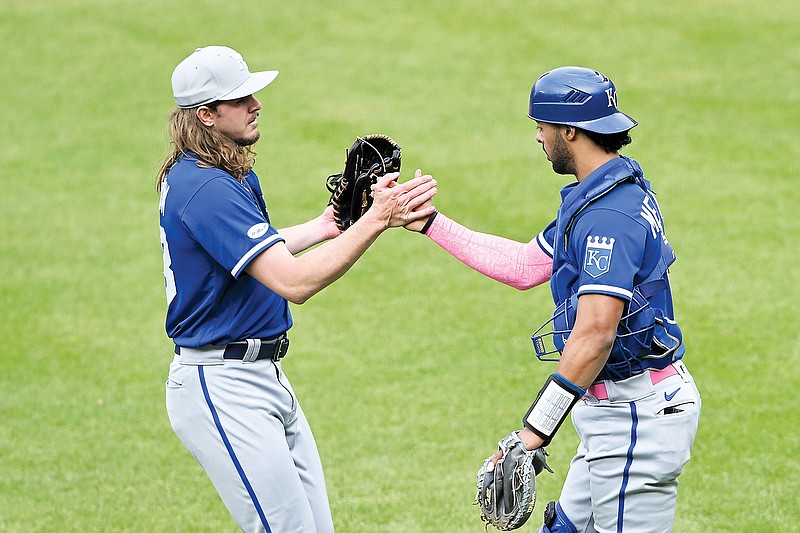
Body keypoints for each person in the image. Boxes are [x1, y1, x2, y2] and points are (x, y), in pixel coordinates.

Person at [406, 66, 701, 532]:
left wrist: (533, 433)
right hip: (618, 410)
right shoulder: (600, 196)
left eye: (541, 126)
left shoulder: (608, 216)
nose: (538, 137)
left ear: (569, 130)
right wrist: (429, 222)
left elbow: (596, 334)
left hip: (635, 421)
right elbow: (526, 266)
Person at [156, 45, 437, 533]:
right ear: (206, 115)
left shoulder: (218, 172)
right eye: (241, 98)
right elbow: (293, 281)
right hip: (222, 386)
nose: (255, 104)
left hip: (261, 376)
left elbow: (257, 255)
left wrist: (327, 226)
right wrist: (375, 220)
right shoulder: (207, 188)